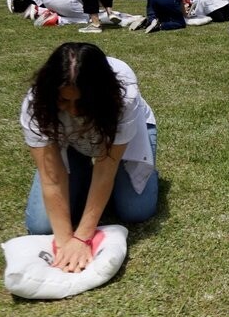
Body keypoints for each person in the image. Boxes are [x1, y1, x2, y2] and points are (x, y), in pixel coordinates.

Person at [22, 43, 159, 272]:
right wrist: (66, 242)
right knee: (41, 225)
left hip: (121, 144)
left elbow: (106, 169)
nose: (74, 111)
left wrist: (83, 237)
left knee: (135, 211)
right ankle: (81, 170)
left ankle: (143, 173)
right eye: (64, 101)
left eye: (82, 103)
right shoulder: (36, 104)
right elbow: (52, 178)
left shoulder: (124, 95)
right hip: (72, 146)